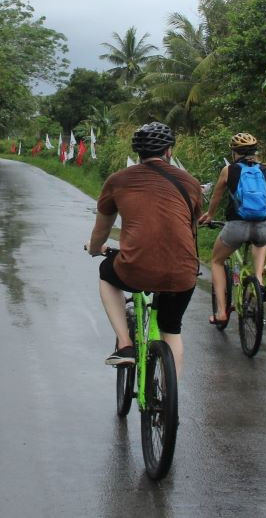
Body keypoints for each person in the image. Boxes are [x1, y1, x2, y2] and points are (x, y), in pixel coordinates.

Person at [86, 122, 202, 375]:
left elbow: (101, 230)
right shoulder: (190, 183)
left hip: (136, 268)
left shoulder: (118, 180)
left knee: (107, 273)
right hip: (183, 272)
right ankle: (170, 403)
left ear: (137, 152)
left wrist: (95, 248)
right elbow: (191, 229)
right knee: (171, 330)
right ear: (169, 150)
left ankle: (125, 345)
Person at [198, 132, 266, 326]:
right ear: (255, 152)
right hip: (263, 226)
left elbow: (216, 197)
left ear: (235, 153)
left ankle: (222, 312)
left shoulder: (229, 170)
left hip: (236, 226)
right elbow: (265, 199)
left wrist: (210, 215)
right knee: (261, 242)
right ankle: (258, 278)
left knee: (216, 261)